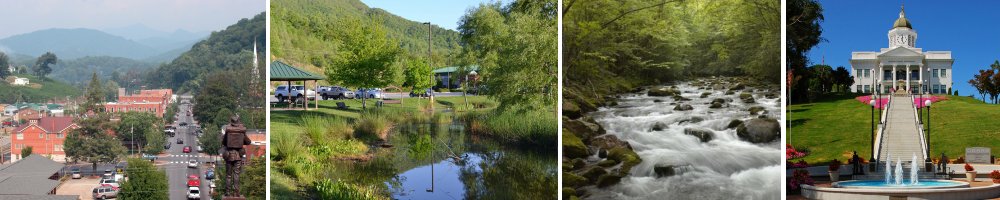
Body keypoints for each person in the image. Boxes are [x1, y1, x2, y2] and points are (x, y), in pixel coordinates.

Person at [222, 115, 251, 197]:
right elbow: (248, 142)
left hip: (229, 155)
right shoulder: (242, 131)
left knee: (228, 175)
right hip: (238, 155)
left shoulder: (228, 131)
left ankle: (227, 192)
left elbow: (223, 142)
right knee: (236, 174)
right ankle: (236, 192)